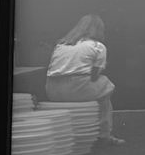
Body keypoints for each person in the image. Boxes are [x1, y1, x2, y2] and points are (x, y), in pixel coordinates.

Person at [46, 14, 122, 145]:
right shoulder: (98, 46)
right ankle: (104, 134)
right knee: (106, 86)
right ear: (99, 30)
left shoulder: (61, 44)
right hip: (77, 88)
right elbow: (94, 76)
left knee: (98, 86)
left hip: (52, 89)